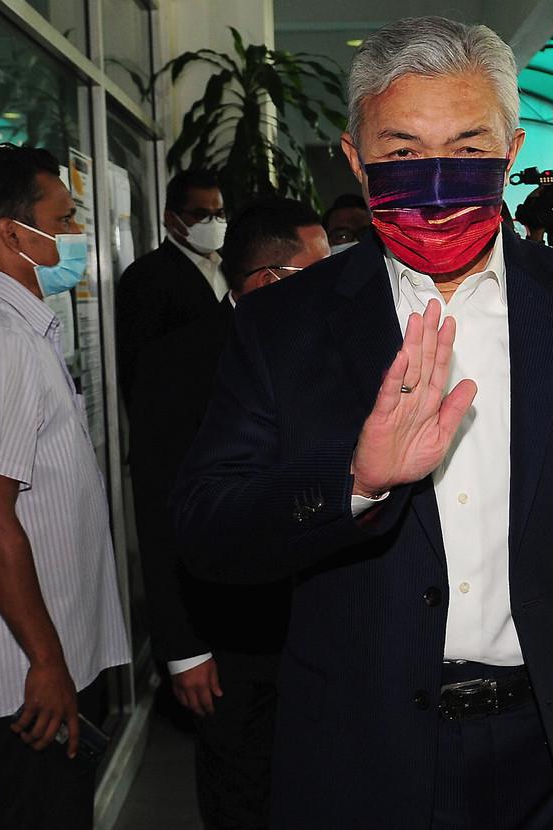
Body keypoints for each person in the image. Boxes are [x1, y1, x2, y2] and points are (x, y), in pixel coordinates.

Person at [172, 16, 553, 830]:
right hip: (366, 755)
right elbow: (205, 528)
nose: (439, 178)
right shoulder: (283, 326)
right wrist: (354, 485)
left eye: (468, 145)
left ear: (513, 150)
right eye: (405, 152)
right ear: (355, 157)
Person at [0, 144, 130, 829]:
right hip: (31, 672)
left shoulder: (21, 331)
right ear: (11, 233)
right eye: (63, 219)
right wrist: (45, 660)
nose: (76, 235)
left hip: (53, 653)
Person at [130, 196, 327, 829]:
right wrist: (183, 649)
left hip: (321, 626)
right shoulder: (179, 363)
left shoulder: (327, 349)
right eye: (317, 269)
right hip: (230, 639)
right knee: (242, 795)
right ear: (270, 280)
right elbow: (159, 512)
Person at [115, 169, 226, 408]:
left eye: (219, 214)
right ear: (171, 217)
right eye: (201, 214)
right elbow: (139, 370)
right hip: (181, 426)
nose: (213, 223)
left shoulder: (231, 267)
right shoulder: (147, 276)